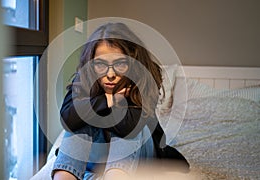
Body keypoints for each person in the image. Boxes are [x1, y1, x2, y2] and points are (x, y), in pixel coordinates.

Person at [52, 22, 189, 180]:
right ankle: (65, 176)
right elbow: (67, 119)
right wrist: (108, 100)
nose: (110, 74)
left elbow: (129, 127)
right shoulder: (85, 77)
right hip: (97, 158)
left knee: (128, 126)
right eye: (100, 64)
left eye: (120, 63)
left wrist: (100, 108)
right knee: (78, 122)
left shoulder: (144, 78)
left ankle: (115, 175)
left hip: (140, 155)